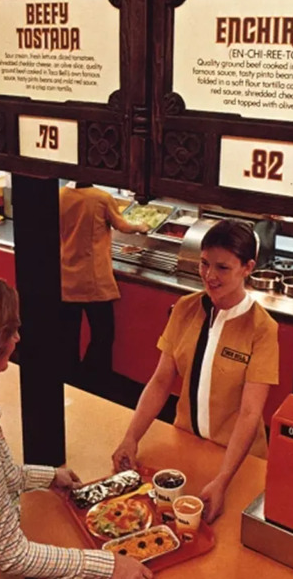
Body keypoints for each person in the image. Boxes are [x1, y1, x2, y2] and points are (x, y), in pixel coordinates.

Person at [0, 275, 152, 579]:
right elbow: (13, 557)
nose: (17, 339)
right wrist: (109, 566)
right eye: (9, 332)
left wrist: (49, 476)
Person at [112, 219, 279, 524]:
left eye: (223, 268)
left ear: (248, 267)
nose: (210, 276)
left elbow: (250, 413)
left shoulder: (262, 329)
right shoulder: (185, 309)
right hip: (186, 444)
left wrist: (223, 480)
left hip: (239, 461)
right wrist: (131, 437)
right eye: (204, 264)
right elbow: (162, 380)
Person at [59, 183, 149, 394]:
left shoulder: (61, 194)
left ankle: (71, 377)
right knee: (103, 333)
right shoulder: (101, 198)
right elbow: (123, 226)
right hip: (93, 278)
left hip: (66, 274)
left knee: (69, 333)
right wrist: (141, 226)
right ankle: (94, 378)